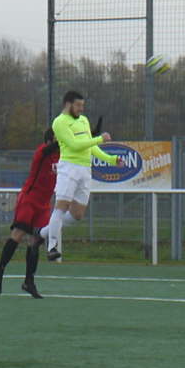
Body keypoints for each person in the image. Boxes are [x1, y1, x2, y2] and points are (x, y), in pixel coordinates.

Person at [31, 91, 123, 260]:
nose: (81, 109)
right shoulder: (59, 122)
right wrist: (99, 139)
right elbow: (74, 145)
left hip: (85, 170)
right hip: (69, 168)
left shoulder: (83, 120)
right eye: (78, 105)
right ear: (68, 104)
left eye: (82, 105)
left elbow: (89, 147)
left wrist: (110, 159)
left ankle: (41, 233)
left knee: (77, 215)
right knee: (61, 207)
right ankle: (52, 247)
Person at [0, 128, 59, 298]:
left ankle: (29, 282)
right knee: (18, 234)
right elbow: (61, 144)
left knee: (36, 241)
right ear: (50, 139)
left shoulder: (61, 155)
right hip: (29, 199)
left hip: (43, 204)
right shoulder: (42, 152)